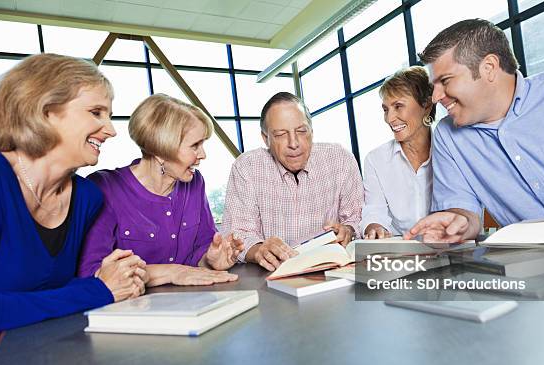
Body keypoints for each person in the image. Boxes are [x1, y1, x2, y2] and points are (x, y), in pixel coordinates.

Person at [405, 19, 544, 243]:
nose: (435, 97)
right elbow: (462, 211)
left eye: (445, 81)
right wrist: (457, 223)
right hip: (543, 266)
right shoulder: (448, 137)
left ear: (489, 67)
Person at [0, 54, 147, 332]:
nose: (111, 130)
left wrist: (110, 279)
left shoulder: (87, 197)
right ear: (45, 110)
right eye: (96, 112)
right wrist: (99, 289)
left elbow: (52, 289)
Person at [79, 94, 241, 286]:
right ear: (161, 151)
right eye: (195, 146)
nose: (203, 154)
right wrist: (172, 273)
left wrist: (210, 260)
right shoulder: (105, 188)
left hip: (193, 304)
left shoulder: (195, 183)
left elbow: (200, 252)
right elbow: (92, 272)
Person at [222, 92, 363, 272]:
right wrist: (258, 250)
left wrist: (348, 230)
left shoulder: (340, 158)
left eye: (302, 131)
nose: (294, 143)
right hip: (270, 275)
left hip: (334, 270)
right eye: (281, 134)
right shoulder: (246, 167)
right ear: (266, 139)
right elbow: (237, 234)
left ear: (312, 131)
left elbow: (357, 217)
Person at [360, 66, 436, 239]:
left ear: (426, 105)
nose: (389, 118)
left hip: (448, 248)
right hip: (403, 255)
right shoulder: (375, 160)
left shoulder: (449, 150)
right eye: (386, 109)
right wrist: (375, 227)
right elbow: (374, 210)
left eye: (398, 106)